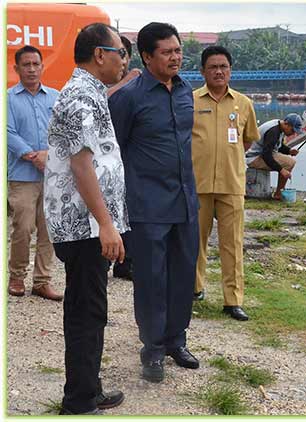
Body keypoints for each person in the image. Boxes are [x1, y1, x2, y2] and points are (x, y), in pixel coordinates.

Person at [109, 22, 200, 383]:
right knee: (150, 280)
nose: (175, 57)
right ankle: (153, 349)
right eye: (167, 51)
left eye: (178, 50)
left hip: (185, 201)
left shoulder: (185, 90)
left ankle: (177, 340)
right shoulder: (128, 98)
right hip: (147, 205)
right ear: (147, 57)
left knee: (182, 276)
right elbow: (113, 151)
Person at [43, 22, 127, 415]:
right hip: (83, 227)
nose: (123, 60)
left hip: (87, 224)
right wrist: (106, 224)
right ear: (99, 55)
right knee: (86, 311)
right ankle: (78, 399)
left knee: (91, 306)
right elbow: (81, 165)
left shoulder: (90, 93)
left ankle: (88, 388)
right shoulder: (79, 96)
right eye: (119, 53)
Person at [191, 46, 260, 321]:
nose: (219, 71)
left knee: (233, 244)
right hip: (198, 183)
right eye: (213, 67)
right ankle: (194, 289)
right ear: (203, 71)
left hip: (232, 184)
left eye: (224, 67)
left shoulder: (243, 103)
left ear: (230, 70)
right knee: (195, 242)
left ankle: (233, 301)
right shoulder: (191, 100)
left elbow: (248, 139)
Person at [7, 45, 62, 301]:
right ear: (16, 68)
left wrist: (49, 157)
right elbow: (7, 133)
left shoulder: (55, 97)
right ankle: (16, 276)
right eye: (26, 64)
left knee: (48, 229)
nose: (31, 69)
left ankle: (42, 281)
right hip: (22, 176)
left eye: (35, 64)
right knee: (23, 227)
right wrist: (34, 156)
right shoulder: (7, 99)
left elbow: (64, 133)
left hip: (52, 176)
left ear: (42, 66)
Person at [107, 34, 142, 280]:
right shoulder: (102, 80)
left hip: (129, 156)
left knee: (129, 208)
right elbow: (101, 99)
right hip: (105, 157)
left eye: (123, 54)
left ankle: (125, 261)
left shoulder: (138, 83)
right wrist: (126, 82)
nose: (120, 60)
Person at [245, 113, 302, 200]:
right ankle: (278, 194)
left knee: (289, 161)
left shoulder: (278, 127)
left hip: (259, 155)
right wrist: (281, 170)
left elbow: (277, 146)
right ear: (286, 124)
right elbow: (266, 155)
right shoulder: (273, 131)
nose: (293, 134)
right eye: (293, 130)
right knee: (290, 163)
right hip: (253, 158)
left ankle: (278, 193)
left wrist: (289, 151)